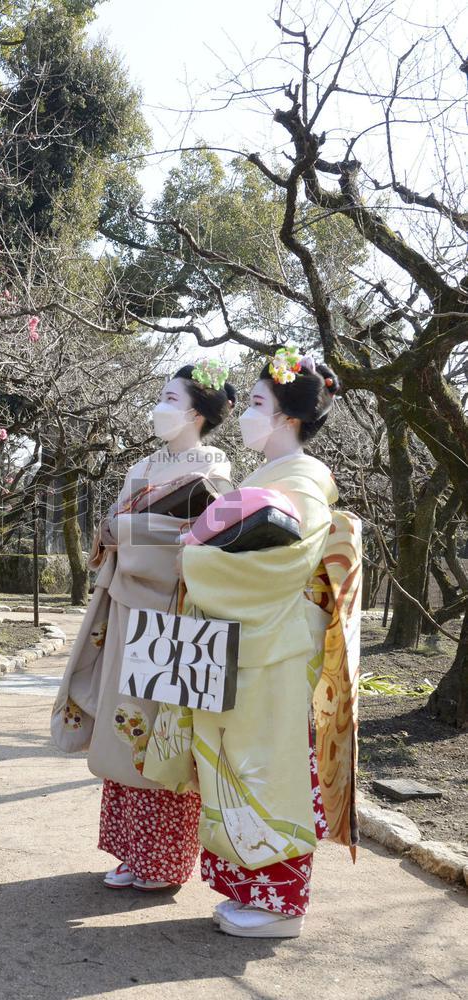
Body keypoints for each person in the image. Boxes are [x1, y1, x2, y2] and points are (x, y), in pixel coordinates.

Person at [144, 347, 362, 936]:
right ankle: (250, 890)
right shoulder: (271, 476)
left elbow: (281, 569)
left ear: (288, 419)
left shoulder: (304, 483)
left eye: (258, 403)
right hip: (245, 646)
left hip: (273, 648)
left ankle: (280, 903)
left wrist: (198, 559)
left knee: (270, 769)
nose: (247, 413)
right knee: (234, 764)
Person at [51, 360, 235, 891]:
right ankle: (132, 851)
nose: (161, 405)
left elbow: (200, 544)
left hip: (171, 615)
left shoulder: (215, 474)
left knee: (159, 729)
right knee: (121, 727)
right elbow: (113, 530)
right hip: (127, 608)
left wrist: (127, 530)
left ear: (198, 413)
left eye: (171, 398)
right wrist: (115, 530)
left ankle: (162, 861)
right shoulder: (143, 467)